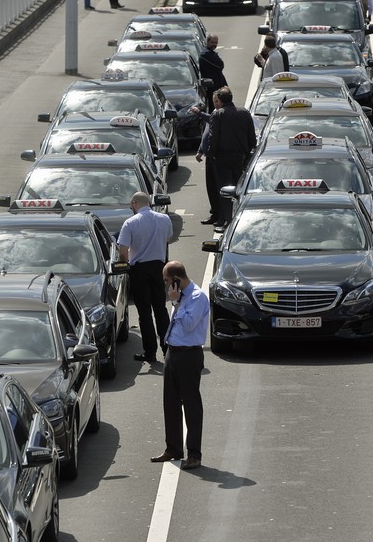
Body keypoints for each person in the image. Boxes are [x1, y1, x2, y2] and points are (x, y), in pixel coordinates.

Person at [150, 261, 210, 471]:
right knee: (170, 403)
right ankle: (173, 448)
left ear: (176, 278)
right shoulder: (181, 297)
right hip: (173, 353)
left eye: (167, 280)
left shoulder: (197, 297)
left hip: (189, 355)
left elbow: (188, 324)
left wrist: (176, 303)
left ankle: (194, 454)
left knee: (191, 406)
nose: (166, 285)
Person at [117, 192, 173, 362]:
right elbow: (169, 239)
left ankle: (150, 352)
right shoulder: (164, 219)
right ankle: (167, 349)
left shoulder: (130, 223)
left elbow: (123, 251)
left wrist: (125, 264)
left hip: (139, 270)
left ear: (135, 203)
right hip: (159, 269)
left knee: (145, 313)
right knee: (161, 310)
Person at [207, 86, 257, 232]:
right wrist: (248, 153)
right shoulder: (244, 113)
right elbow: (251, 136)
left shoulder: (218, 114)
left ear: (221, 101)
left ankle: (229, 221)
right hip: (240, 157)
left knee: (224, 190)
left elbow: (213, 137)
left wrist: (212, 154)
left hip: (222, 158)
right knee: (240, 188)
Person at [192, 100, 219, 225]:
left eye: (217, 101)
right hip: (209, 156)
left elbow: (210, 120)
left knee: (217, 187)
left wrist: (199, 113)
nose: (215, 103)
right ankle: (215, 212)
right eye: (214, 101)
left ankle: (220, 214)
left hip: (217, 157)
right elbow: (206, 134)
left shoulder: (219, 115)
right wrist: (200, 150)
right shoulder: (214, 113)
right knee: (211, 187)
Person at [198, 34, 227, 111]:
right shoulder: (206, 54)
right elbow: (220, 65)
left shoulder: (211, 53)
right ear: (207, 42)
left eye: (216, 43)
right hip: (212, 88)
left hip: (217, 86)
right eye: (212, 42)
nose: (214, 45)